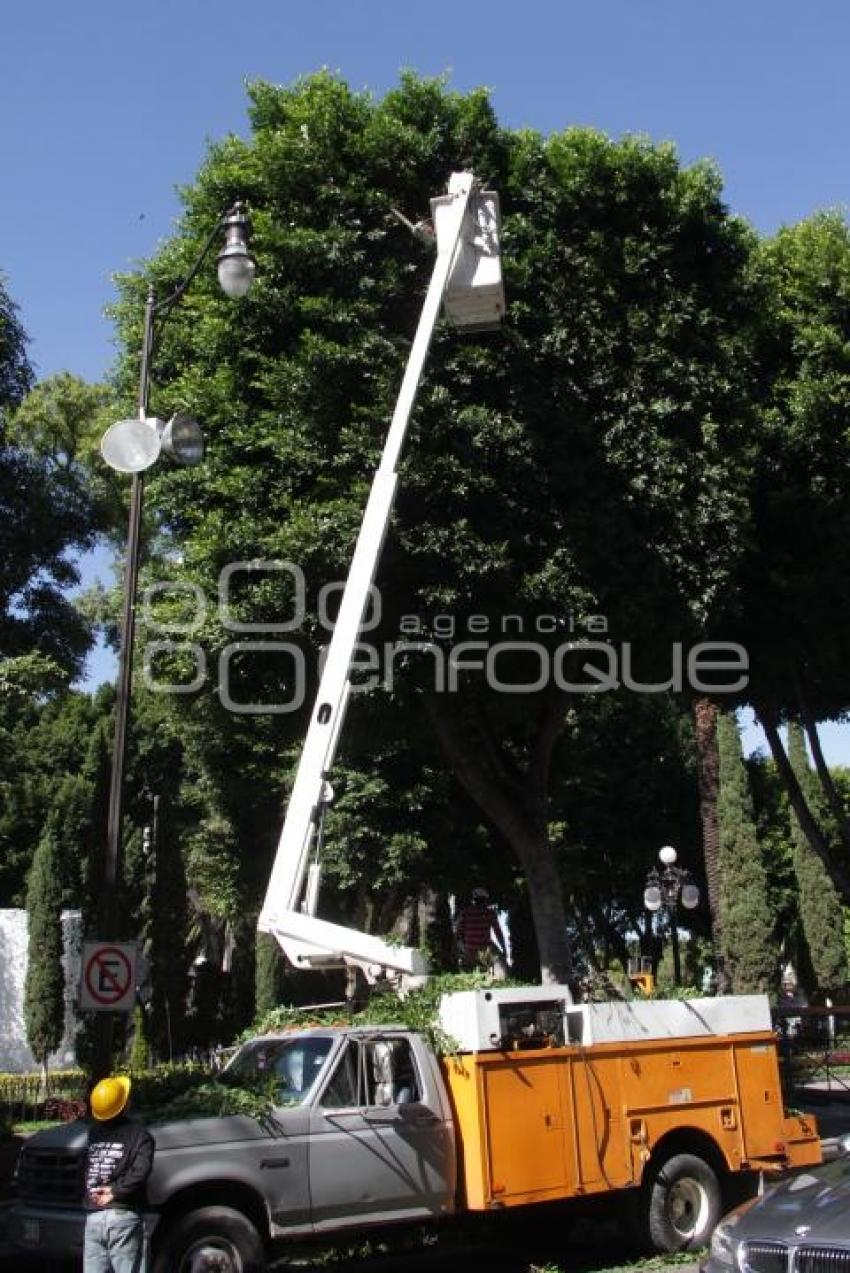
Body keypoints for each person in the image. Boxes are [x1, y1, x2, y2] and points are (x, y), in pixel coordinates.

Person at [83, 1074, 154, 1273]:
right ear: (124, 1105)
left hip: (93, 1217)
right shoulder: (140, 1134)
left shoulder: (93, 1134)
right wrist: (115, 1191)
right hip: (123, 1216)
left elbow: (88, 1169)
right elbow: (141, 1171)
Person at [455, 888, 508, 976]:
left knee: (471, 975)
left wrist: (455, 948)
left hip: (470, 950)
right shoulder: (490, 913)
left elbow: (458, 932)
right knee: (491, 969)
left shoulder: (466, 913)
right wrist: (504, 949)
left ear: (474, 900)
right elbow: (498, 932)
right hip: (484, 950)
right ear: (485, 900)